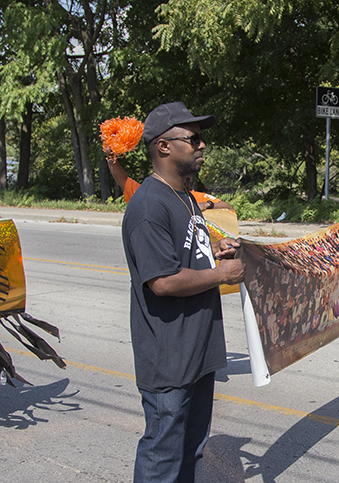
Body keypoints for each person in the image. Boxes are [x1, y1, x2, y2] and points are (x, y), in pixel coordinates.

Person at [121, 101, 246, 482]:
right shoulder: (148, 206)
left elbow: (189, 255)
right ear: (163, 146)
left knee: (191, 451)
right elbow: (163, 281)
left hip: (199, 349)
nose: (201, 146)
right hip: (169, 356)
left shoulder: (187, 199)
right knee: (163, 455)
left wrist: (217, 253)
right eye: (192, 139)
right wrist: (222, 274)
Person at [107, 154, 234, 212]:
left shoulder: (197, 198)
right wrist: (111, 158)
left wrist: (206, 205)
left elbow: (229, 208)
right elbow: (124, 181)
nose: (185, 181)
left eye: (187, 178)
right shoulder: (151, 197)